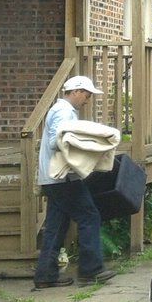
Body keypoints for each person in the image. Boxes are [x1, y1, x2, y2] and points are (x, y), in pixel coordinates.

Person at [33, 75, 117, 289]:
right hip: (63, 177)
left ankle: (45, 275)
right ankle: (91, 270)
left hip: (52, 178)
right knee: (89, 215)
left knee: (55, 225)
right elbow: (56, 141)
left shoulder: (59, 110)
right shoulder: (64, 111)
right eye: (87, 95)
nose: (87, 99)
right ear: (76, 91)